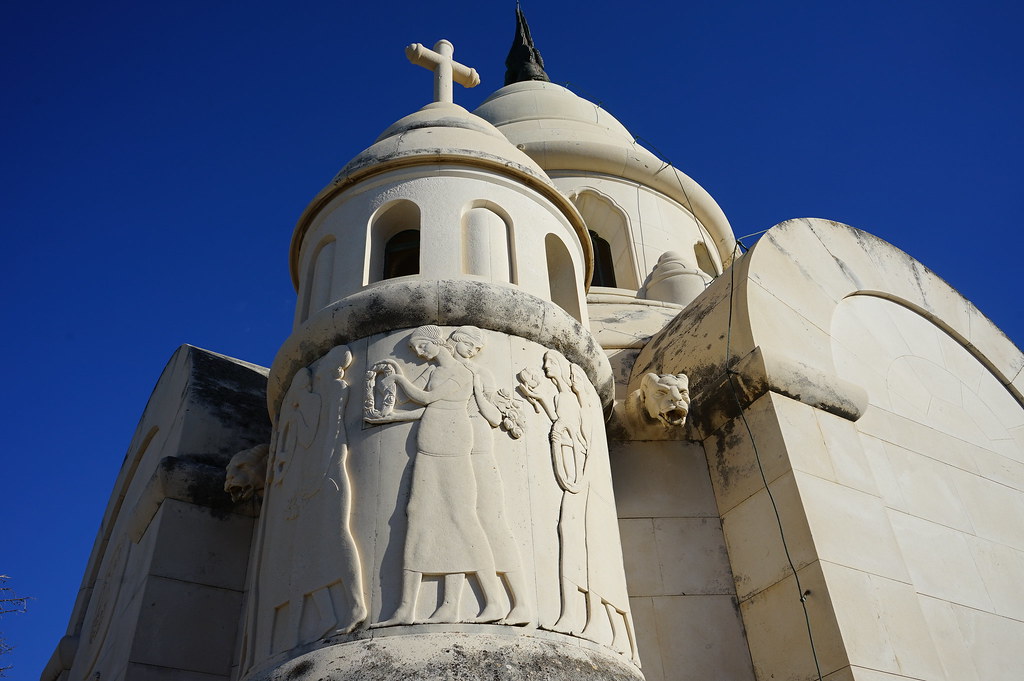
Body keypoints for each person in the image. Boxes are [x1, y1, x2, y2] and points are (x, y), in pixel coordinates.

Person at [373, 325, 505, 626]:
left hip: (452, 451)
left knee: (461, 519)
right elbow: (428, 409)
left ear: (436, 342)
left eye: (421, 347)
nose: (418, 353)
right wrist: (392, 416)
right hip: (429, 452)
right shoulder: (434, 372)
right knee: (417, 515)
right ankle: (407, 608)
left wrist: (400, 380)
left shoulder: (462, 373)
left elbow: (428, 399)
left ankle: (494, 601)